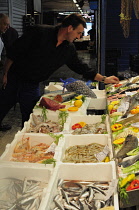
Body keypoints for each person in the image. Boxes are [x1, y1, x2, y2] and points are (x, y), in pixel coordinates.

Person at [0, 13, 119, 130]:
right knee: (2, 107)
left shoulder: (68, 49)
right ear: (69, 28)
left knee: (30, 119)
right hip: (13, 79)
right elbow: (13, 53)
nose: (79, 37)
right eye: (78, 33)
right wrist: (5, 74)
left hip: (32, 85)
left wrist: (104, 79)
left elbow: (80, 67)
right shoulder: (39, 32)